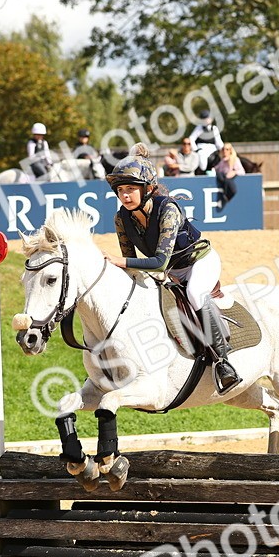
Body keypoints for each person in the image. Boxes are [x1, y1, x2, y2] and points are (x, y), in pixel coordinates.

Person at [103, 142, 241, 395]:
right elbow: (129, 261)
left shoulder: (168, 208)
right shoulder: (121, 218)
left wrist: (119, 261)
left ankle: (223, 362)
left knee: (195, 294)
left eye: (131, 189)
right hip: (171, 273)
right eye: (120, 190)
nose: (124, 195)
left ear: (148, 188)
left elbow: (158, 261)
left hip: (199, 261)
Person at [213, 142, 245, 210]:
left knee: (228, 180)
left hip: (230, 181)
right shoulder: (222, 161)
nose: (225, 151)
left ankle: (227, 196)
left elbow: (242, 171)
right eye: (223, 149)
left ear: (230, 150)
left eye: (227, 149)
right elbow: (217, 169)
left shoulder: (235, 160)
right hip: (223, 179)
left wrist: (234, 172)